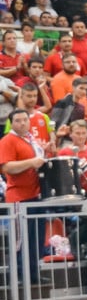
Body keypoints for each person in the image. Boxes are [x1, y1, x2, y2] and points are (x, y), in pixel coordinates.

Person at [0, 109, 49, 285]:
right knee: (20, 240)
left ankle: (33, 274)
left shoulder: (30, 139)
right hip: (19, 197)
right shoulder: (8, 140)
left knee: (36, 238)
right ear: (11, 123)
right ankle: (20, 276)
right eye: (18, 120)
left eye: (25, 120)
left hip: (35, 194)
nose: (22, 123)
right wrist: (31, 162)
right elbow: (7, 167)